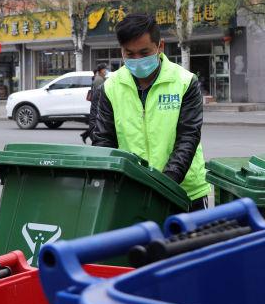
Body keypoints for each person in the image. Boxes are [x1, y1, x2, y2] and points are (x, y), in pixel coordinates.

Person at [93, 13, 210, 211]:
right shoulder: (110, 87)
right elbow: (104, 141)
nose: (137, 59)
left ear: (160, 46)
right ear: (121, 51)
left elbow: (188, 138)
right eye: (130, 54)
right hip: (132, 194)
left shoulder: (184, 82)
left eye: (144, 52)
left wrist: (162, 186)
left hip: (185, 193)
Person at [81, 63, 108, 144]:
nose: (106, 71)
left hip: (98, 105)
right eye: (104, 69)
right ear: (101, 70)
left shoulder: (100, 78)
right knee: (96, 124)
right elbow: (100, 94)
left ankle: (85, 135)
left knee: (96, 124)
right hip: (98, 105)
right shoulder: (99, 80)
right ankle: (89, 136)